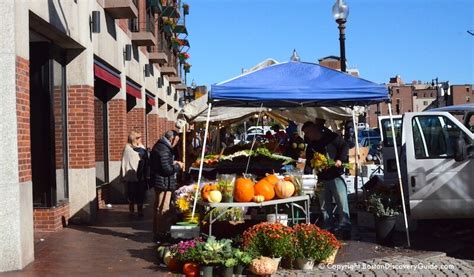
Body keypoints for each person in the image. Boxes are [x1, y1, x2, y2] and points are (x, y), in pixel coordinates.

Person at [302, 121, 351, 239]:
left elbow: (345, 146)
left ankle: (345, 227)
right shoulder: (311, 145)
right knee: (324, 205)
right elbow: (309, 163)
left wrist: (340, 159)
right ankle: (328, 226)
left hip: (336, 175)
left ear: (314, 129)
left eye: (308, 132)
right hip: (322, 178)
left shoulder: (331, 137)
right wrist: (306, 175)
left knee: (341, 202)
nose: (307, 135)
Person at [150, 130, 185, 242]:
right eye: (176, 141)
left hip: (162, 182)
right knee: (163, 208)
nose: (176, 144)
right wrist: (178, 166)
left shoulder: (161, 146)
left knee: (159, 207)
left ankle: (158, 232)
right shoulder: (164, 149)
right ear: (172, 139)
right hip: (164, 183)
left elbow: (164, 164)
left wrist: (172, 163)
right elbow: (167, 169)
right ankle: (161, 233)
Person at [120, 131, 148, 216]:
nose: (140, 139)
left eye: (140, 137)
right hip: (131, 176)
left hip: (141, 175)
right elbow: (126, 162)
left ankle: (140, 210)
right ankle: (131, 211)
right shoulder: (127, 148)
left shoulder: (142, 147)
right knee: (131, 194)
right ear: (134, 138)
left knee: (141, 194)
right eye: (138, 137)